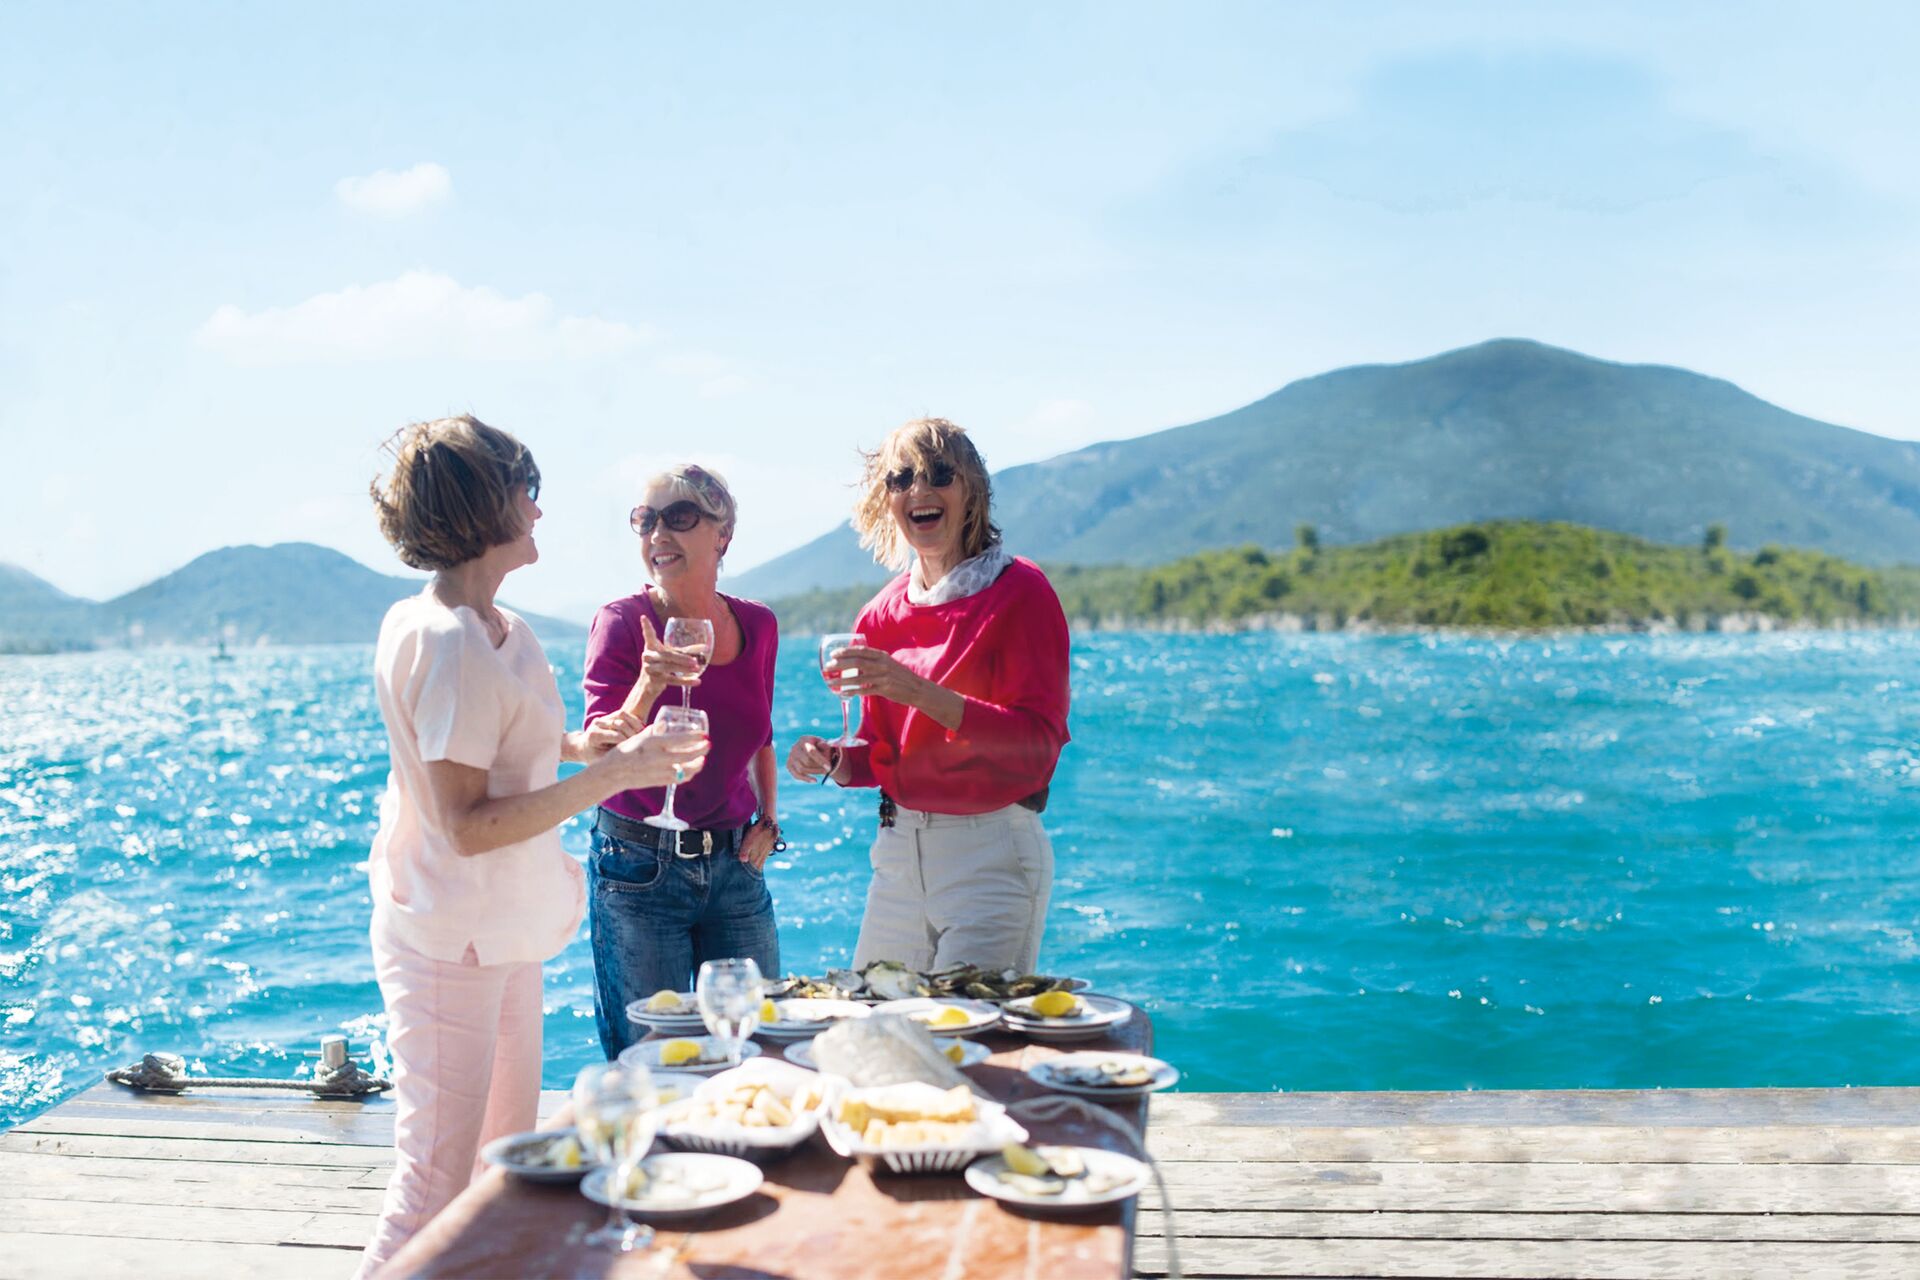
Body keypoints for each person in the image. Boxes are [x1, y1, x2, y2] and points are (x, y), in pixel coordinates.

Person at [357, 416, 707, 1277]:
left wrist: (637, 702)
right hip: (450, 941)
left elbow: (538, 748)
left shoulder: (495, 628)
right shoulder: (446, 642)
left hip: (501, 937)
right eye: (528, 491)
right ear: (486, 506)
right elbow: (465, 824)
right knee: (435, 1182)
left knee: (500, 1167)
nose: (540, 511)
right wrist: (617, 772)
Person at [787, 418, 1069, 973]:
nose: (920, 490)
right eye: (901, 479)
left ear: (972, 491)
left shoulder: (1022, 592)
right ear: (886, 500)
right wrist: (834, 760)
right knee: (878, 1037)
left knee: (964, 1049)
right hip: (896, 855)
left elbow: (1037, 748)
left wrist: (915, 690)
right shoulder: (880, 613)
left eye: (940, 474)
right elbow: (883, 752)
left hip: (991, 859)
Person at [582, 463, 782, 1057]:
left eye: (680, 517)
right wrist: (648, 684)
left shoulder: (759, 625)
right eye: (646, 521)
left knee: (758, 1048)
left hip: (735, 869)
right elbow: (601, 746)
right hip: (639, 870)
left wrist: (769, 822)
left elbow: (761, 737)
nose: (658, 534)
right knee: (653, 1060)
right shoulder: (620, 624)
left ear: (723, 533)